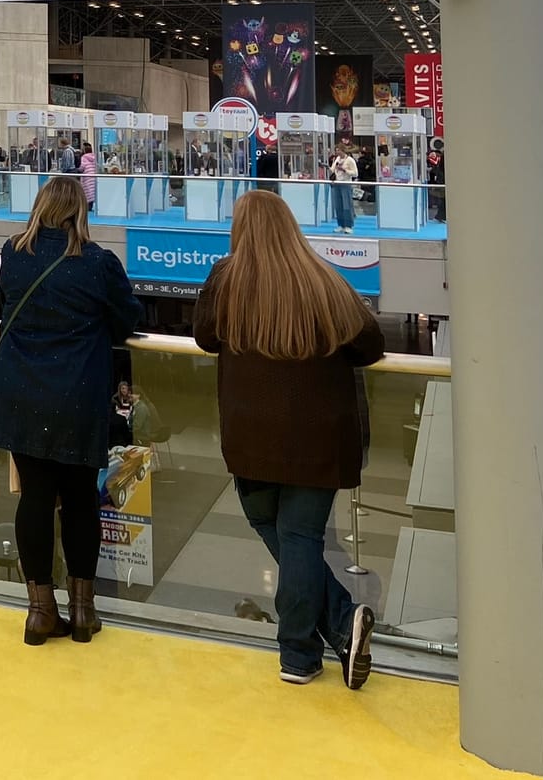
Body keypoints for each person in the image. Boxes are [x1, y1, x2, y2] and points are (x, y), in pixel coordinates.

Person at [193, 190, 384, 689]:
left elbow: (204, 337)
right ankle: (328, 634)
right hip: (319, 440)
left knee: (272, 526)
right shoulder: (321, 278)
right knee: (300, 538)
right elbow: (369, 344)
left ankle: (308, 647)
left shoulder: (225, 280)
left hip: (251, 439)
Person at [0, 174, 142, 647]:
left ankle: (40, 612)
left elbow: (6, 305)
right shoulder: (97, 262)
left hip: (21, 393)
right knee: (79, 500)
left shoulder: (14, 253)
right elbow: (129, 317)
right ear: (79, 213)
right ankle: (83, 610)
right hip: (77, 396)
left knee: (34, 497)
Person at [329, 142, 360, 233]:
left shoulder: (350, 160)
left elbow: (355, 173)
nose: (337, 152)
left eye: (338, 150)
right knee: (338, 206)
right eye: (336, 150)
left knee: (347, 206)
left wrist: (345, 170)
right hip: (337, 184)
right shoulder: (337, 159)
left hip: (346, 184)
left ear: (343, 150)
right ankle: (341, 224)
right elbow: (332, 169)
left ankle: (349, 225)